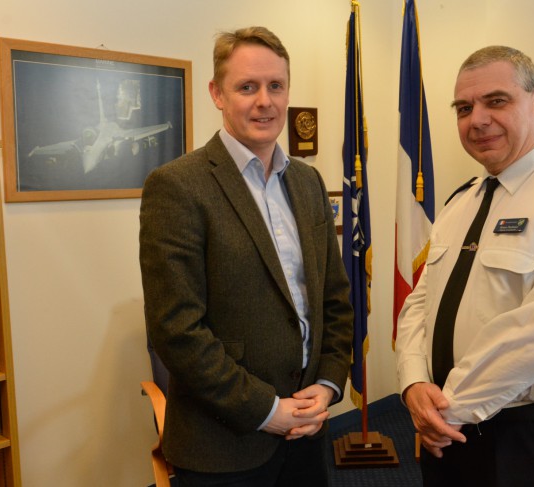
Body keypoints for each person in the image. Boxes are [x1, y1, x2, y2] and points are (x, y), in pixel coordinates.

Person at [395, 45, 534, 486]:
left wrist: (447, 411)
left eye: (496, 101)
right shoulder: (460, 202)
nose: (477, 119)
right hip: (446, 428)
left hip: (528, 438)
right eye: (464, 107)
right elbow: (419, 305)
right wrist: (412, 385)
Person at [139, 26, 353, 486]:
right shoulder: (177, 186)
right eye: (247, 87)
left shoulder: (309, 183)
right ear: (217, 94)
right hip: (223, 447)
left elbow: (334, 298)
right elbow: (176, 330)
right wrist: (266, 409)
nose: (265, 101)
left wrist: (329, 384)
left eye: (276, 86)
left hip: (308, 433)